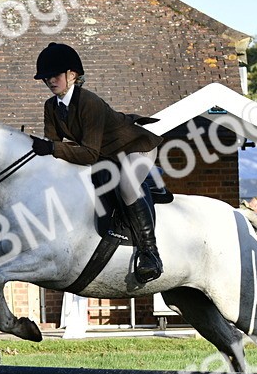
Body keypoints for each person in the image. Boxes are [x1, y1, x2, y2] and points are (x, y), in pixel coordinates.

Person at [30, 42, 165, 283]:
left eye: (55, 75)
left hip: (136, 148)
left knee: (127, 185)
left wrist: (52, 148)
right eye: (46, 77)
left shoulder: (88, 102)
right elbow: (52, 146)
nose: (50, 80)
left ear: (72, 75)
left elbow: (88, 153)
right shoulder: (50, 107)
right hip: (106, 155)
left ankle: (150, 253)